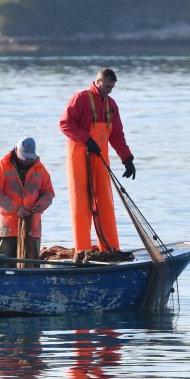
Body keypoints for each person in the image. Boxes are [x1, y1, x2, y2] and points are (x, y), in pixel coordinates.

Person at [59, 67, 136, 255]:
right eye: (107, 86)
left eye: (112, 88)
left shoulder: (111, 105)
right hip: (79, 155)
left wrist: (127, 158)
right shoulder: (81, 98)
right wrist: (86, 139)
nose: (109, 90)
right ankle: (83, 250)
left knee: (105, 202)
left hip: (101, 157)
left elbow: (117, 135)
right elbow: (65, 124)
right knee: (81, 203)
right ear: (98, 81)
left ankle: (110, 248)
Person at [0, 136, 54, 260]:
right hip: (8, 228)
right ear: (16, 150)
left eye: (30, 158)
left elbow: (49, 193)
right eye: (24, 158)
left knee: (31, 264)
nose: (27, 161)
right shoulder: (1, 166)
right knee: (3, 263)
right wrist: (16, 208)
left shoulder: (40, 168)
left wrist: (41, 204)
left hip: (32, 228)